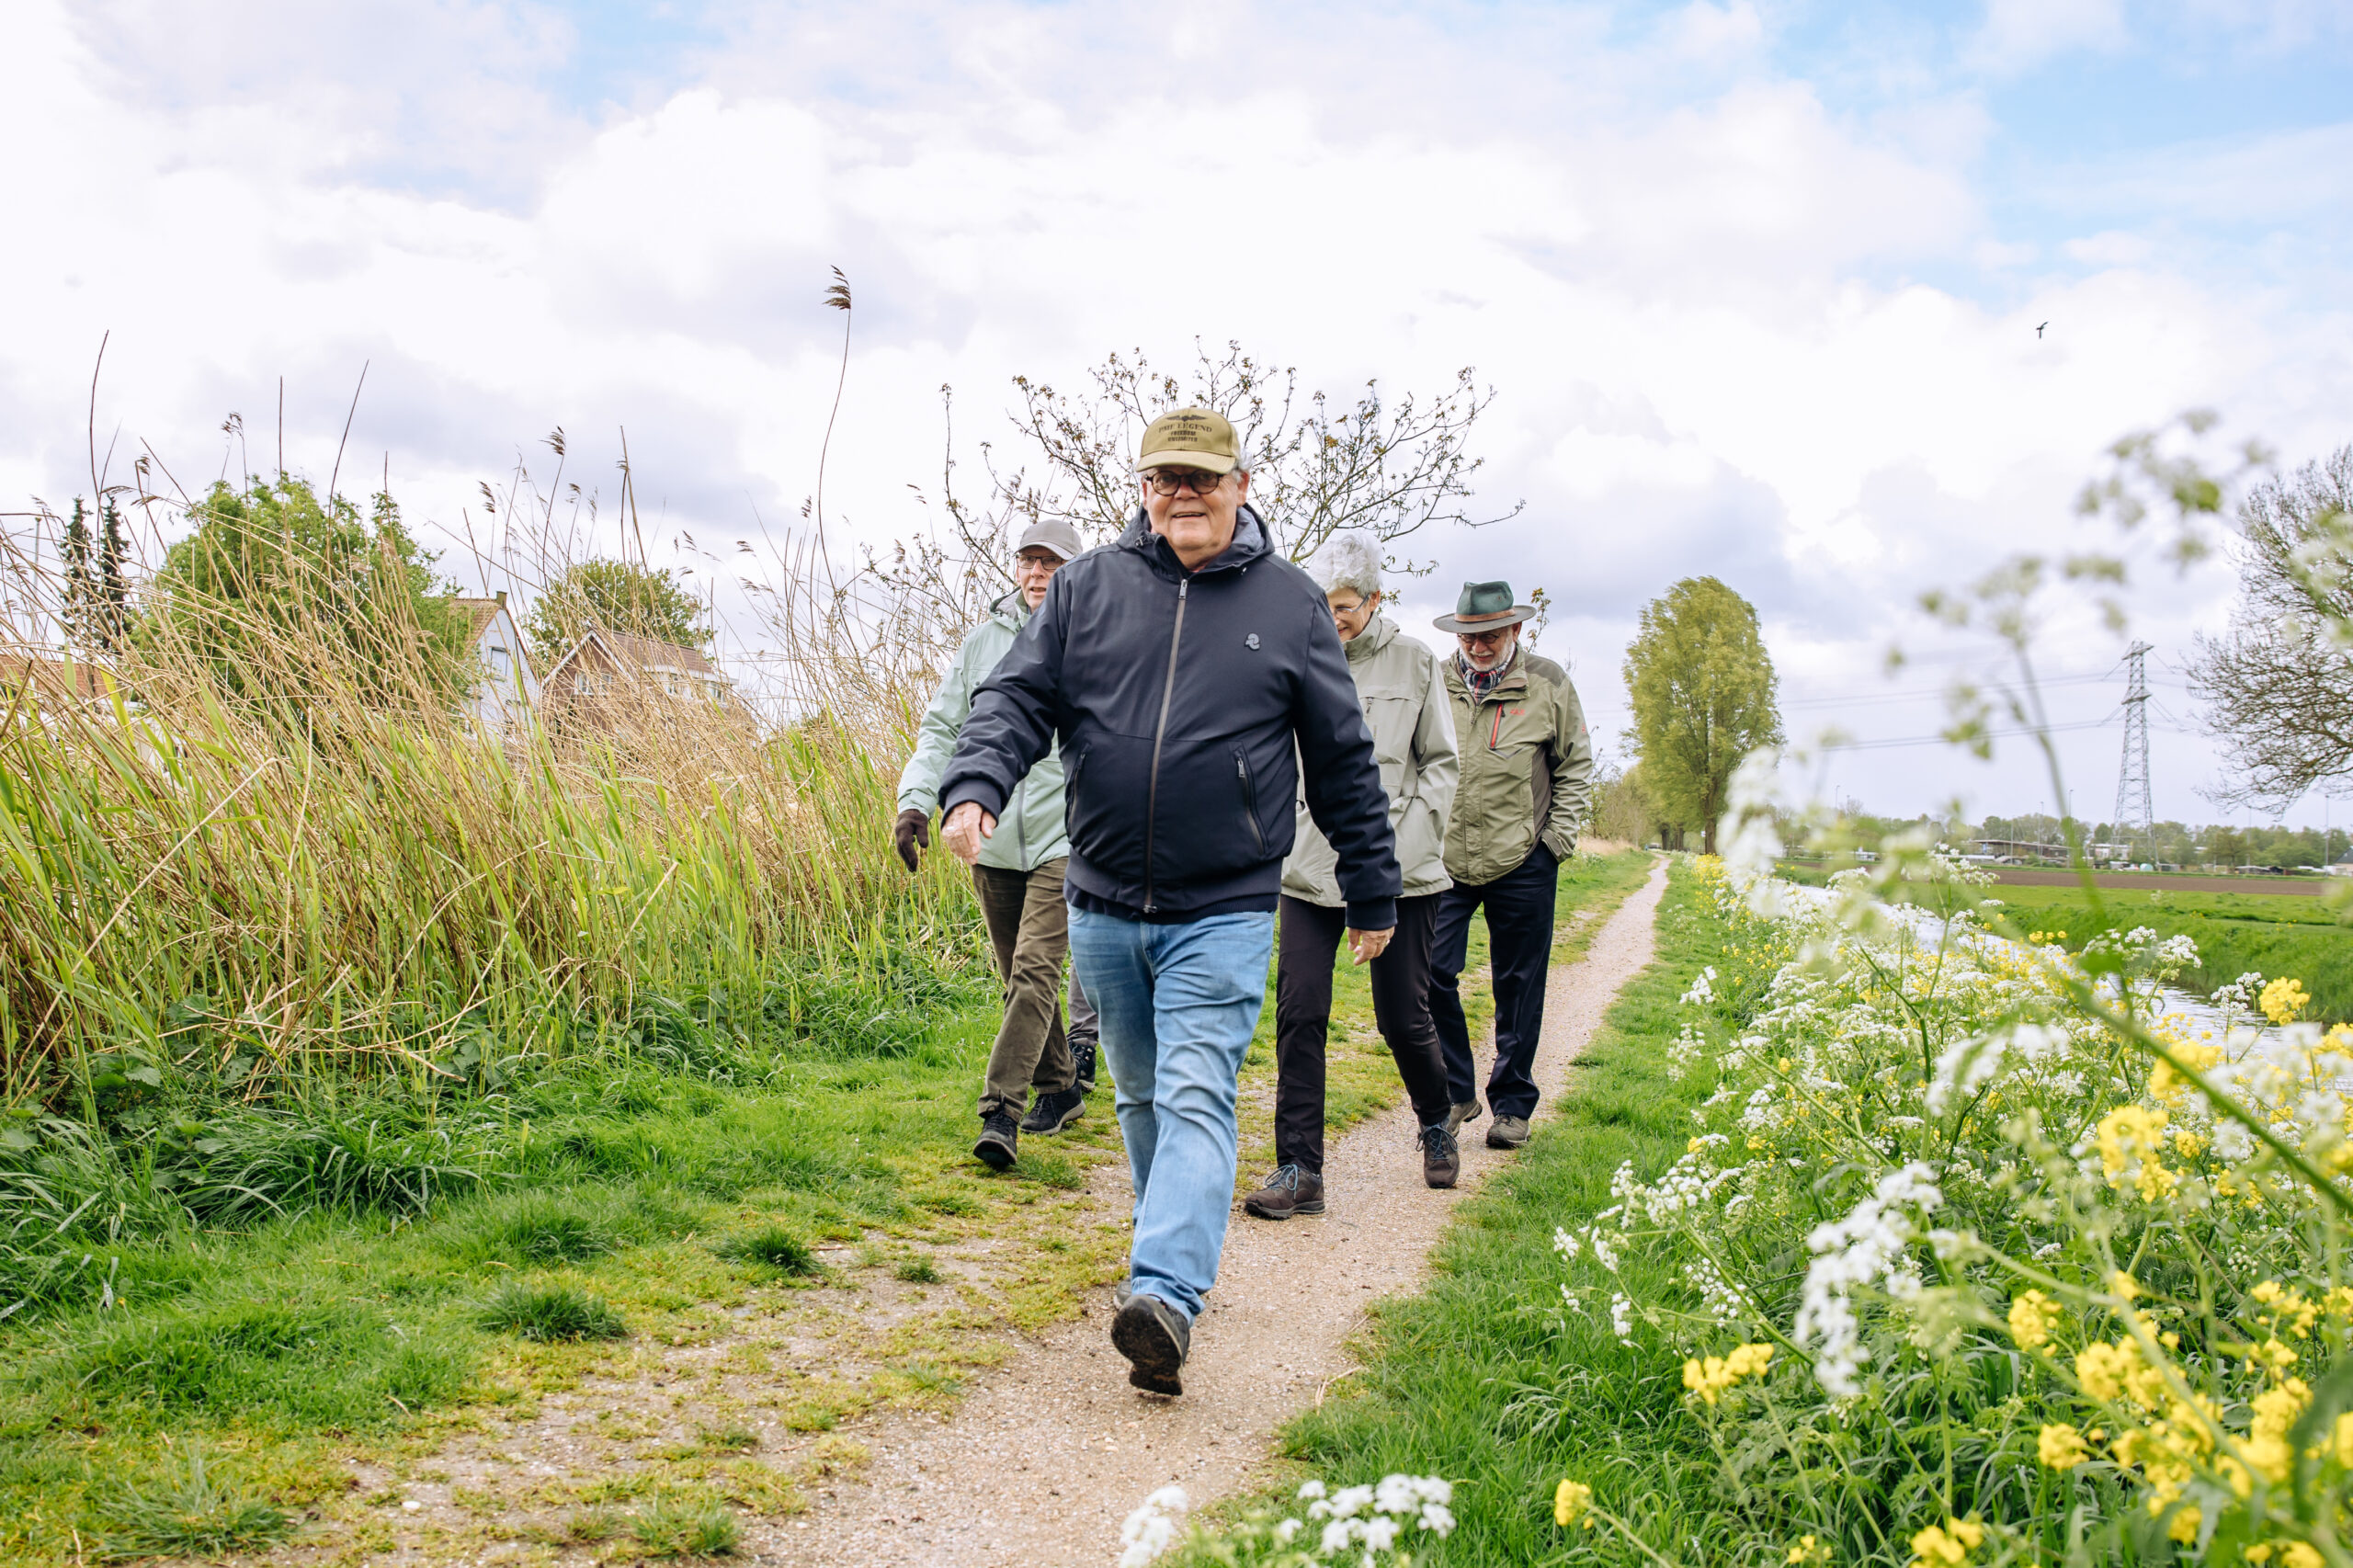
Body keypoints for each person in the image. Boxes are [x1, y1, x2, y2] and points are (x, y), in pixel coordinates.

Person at [937, 407, 1398, 1397]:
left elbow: (1342, 755)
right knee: (1144, 1095)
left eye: (1200, 475)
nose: (1181, 492)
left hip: (1225, 904)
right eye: (1162, 477)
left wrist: (1371, 883)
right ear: (1142, 488)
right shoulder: (1091, 588)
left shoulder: (1290, 601)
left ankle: (1165, 1293)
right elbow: (1016, 698)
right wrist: (975, 783)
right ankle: (1169, 1254)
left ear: (1239, 481)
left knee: (1195, 1090)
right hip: (1102, 899)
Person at [1245, 532, 1461, 1221]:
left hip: (1401, 875)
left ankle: (1435, 1117)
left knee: (1403, 1016)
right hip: (1308, 867)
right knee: (1300, 1011)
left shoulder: (1416, 663)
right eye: (1324, 604)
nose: (1332, 617)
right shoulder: (1298, 657)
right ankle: (1300, 1167)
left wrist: (1396, 857)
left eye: (1343, 606)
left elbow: (1441, 769)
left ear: (1373, 600)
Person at [894, 517, 1099, 1173]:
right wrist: (916, 801)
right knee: (1015, 977)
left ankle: (1000, 1112)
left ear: (1073, 572)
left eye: (1052, 563)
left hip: (1067, 835)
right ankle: (1063, 1086)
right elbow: (942, 727)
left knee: (1037, 972)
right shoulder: (982, 643)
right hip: (987, 836)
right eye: (1028, 561)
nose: (1038, 573)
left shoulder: (1094, 638)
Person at [1427, 580, 1594, 1152]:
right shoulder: (1434, 681)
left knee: (1519, 984)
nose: (1478, 645)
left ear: (1516, 630)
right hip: (1442, 859)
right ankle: (1456, 1090)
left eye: (1490, 634)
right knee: (1428, 973)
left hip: (1523, 857)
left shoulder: (1547, 683)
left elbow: (1575, 767)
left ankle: (1513, 1106)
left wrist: (1555, 842)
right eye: (1469, 635)